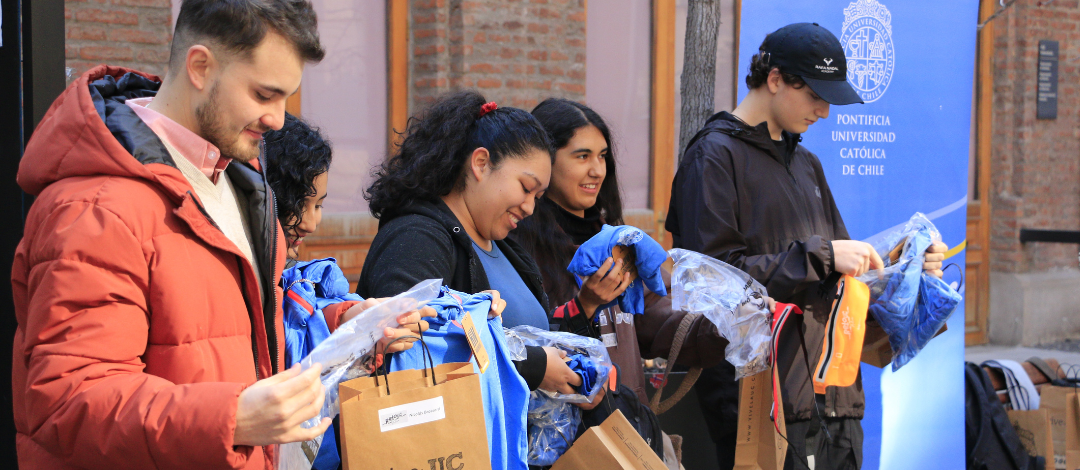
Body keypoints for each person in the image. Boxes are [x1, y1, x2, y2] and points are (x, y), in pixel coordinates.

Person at [10, 1, 416, 468]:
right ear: (200, 67)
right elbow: (67, 402)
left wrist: (347, 328)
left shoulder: (235, 180)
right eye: (265, 95)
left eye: (286, 98)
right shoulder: (94, 209)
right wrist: (234, 418)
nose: (279, 119)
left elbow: (224, 336)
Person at [666, 23, 947, 470]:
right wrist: (823, 255)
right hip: (762, 403)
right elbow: (710, 282)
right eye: (815, 94)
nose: (824, 111)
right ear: (775, 79)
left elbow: (844, 275)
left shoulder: (807, 163)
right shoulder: (713, 156)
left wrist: (907, 265)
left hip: (836, 396)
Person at [358, 90, 586, 397]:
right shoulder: (416, 238)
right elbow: (414, 351)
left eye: (538, 197)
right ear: (480, 163)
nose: (530, 208)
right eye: (526, 187)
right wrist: (533, 367)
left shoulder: (506, 247)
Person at [512, 98, 732, 406]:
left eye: (602, 156)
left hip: (626, 425)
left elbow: (657, 310)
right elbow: (522, 346)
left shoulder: (618, 241)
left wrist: (726, 323)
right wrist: (584, 305)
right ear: (544, 162)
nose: (597, 170)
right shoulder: (517, 246)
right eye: (582, 156)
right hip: (558, 435)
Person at [264, 113, 433, 470]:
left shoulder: (301, 280)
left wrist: (353, 321)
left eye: (320, 204)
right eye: (298, 205)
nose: (311, 222)